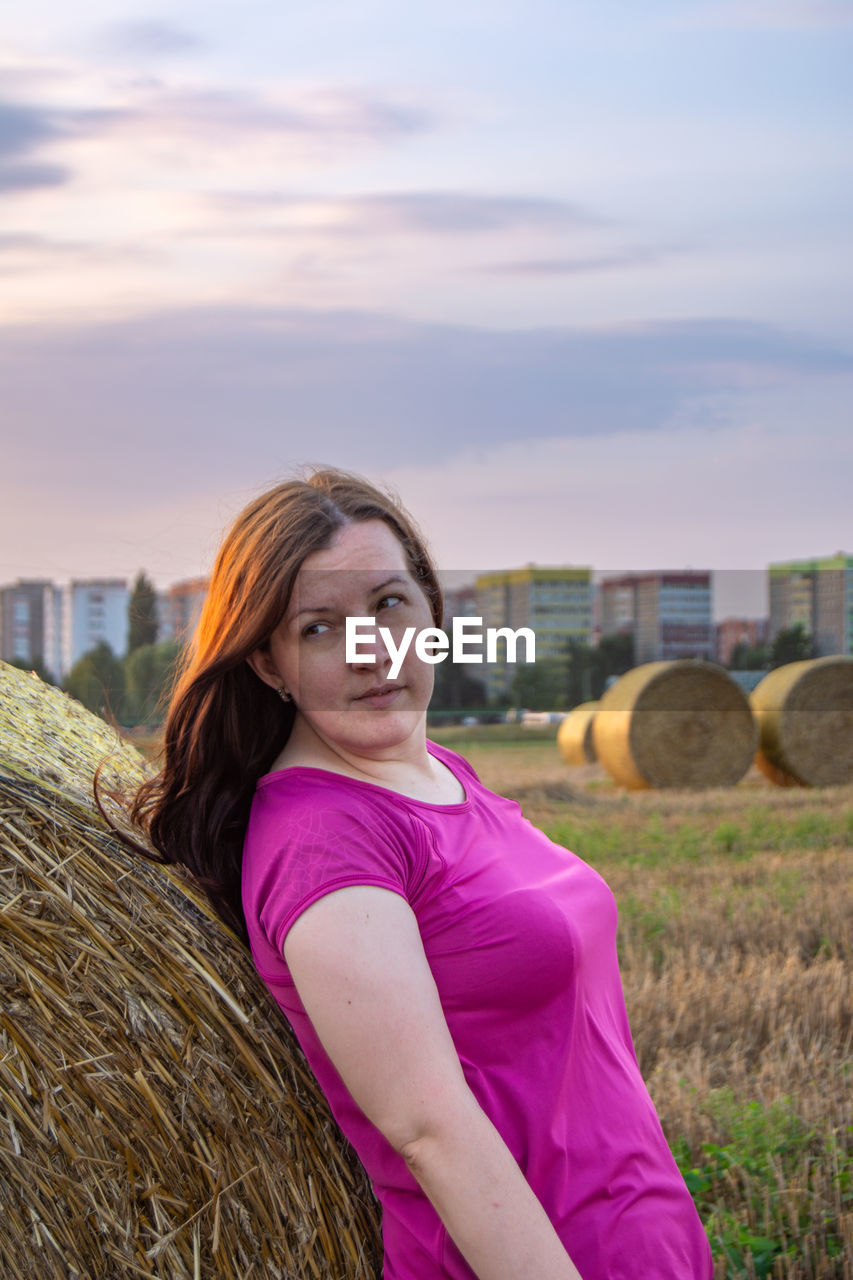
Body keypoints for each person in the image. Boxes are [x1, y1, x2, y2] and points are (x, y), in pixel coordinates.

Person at [131, 467, 714, 1280]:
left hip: (637, 1243)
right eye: (320, 628)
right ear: (268, 664)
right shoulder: (325, 839)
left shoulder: (440, 772)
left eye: (388, 604)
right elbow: (429, 1131)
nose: (373, 650)